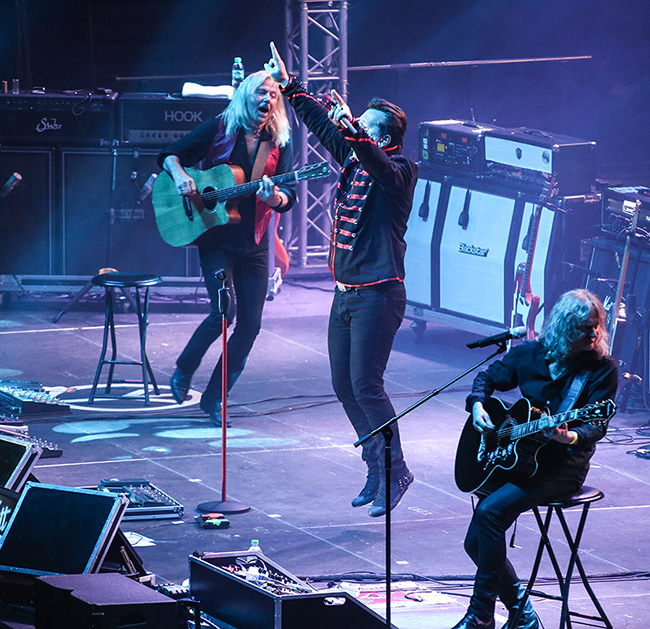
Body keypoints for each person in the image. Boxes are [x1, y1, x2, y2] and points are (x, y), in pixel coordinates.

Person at [264, 42, 418, 517]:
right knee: (343, 384)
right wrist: (291, 86)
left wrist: (354, 131)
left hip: (379, 295)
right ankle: (376, 465)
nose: (353, 131)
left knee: (367, 384)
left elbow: (376, 162)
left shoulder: (400, 172)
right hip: (345, 295)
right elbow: (322, 126)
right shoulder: (354, 158)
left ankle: (396, 471)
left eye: (364, 126)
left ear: (381, 135)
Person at [452, 289, 618, 629]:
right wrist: (478, 406)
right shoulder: (531, 354)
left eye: (596, 327)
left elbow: (595, 425)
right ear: (562, 327)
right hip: (521, 458)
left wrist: (567, 435)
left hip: (563, 467)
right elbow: (486, 378)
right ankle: (523, 612)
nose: (593, 335)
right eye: (584, 328)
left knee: (490, 513)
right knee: (475, 543)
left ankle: (480, 616)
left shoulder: (601, 369)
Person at [158, 69, 296, 427]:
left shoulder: (280, 140)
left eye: (274, 96)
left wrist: (277, 197)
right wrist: (181, 176)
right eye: (262, 93)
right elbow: (171, 154)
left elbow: (290, 195)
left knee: (250, 326)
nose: (268, 100)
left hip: (255, 243)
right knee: (224, 311)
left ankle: (215, 398)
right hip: (216, 239)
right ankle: (184, 368)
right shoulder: (221, 127)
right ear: (247, 95)